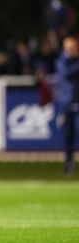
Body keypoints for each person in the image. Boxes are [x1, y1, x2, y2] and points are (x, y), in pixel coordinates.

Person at [55, 36, 79, 176]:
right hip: (66, 103)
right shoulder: (61, 61)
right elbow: (67, 73)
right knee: (67, 135)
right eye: (70, 47)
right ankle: (69, 164)